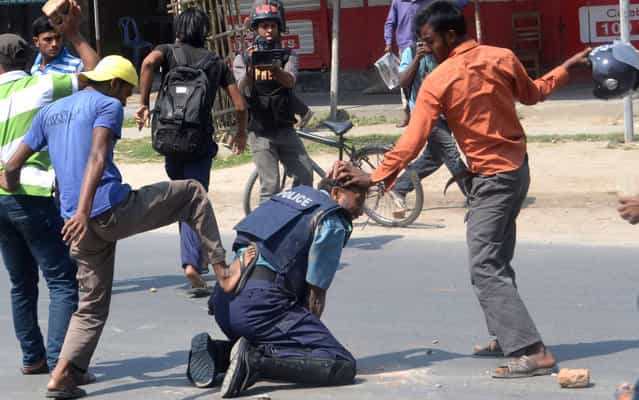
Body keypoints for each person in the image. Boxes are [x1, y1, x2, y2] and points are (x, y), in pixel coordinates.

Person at [335, 1, 591, 378]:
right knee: (496, 258)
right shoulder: (501, 56)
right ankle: (507, 337)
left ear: (450, 35)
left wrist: (374, 177)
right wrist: (566, 70)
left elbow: (412, 139)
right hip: (517, 171)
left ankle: (531, 350)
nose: (426, 48)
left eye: (428, 41)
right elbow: (533, 93)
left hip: (492, 181)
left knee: (485, 264)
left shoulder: (439, 79)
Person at [0, 55, 249, 399]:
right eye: (126, 92)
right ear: (115, 84)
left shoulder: (50, 112)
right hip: (106, 211)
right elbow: (97, 157)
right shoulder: (106, 105)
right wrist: (86, 210)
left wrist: (13, 182)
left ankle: (61, 376)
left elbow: (12, 164)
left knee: (91, 305)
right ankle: (223, 273)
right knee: (192, 192)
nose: (124, 100)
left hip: (75, 223)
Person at [184, 178, 364, 398]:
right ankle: (254, 363)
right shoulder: (332, 219)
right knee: (339, 363)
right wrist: (308, 342)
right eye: (359, 199)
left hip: (224, 306)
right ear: (336, 193)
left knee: (278, 339)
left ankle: (218, 354)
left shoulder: (289, 198)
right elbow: (315, 295)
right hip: (261, 307)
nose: (362, 210)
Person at [0, 1, 97, 378]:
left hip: (1, 200)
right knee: (61, 280)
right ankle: (61, 363)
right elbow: (97, 73)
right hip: (33, 195)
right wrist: (75, 35)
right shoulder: (40, 86)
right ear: (29, 55)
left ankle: (33, 358)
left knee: (21, 283)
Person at [136, 7, 248, 292]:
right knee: (194, 200)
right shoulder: (216, 63)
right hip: (198, 142)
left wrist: (144, 103)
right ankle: (192, 262)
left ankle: (195, 260)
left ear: (179, 30)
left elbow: (148, 63)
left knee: (184, 198)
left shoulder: (168, 52)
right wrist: (241, 134)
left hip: (169, 140)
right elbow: (239, 105)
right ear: (205, 32)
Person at [234, 0, 314, 204]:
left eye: (273, 25)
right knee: (270, 186)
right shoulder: (242, 58)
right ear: (255, 29)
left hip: (285, 129)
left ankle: (296, 221)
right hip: (260, 133)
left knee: (304, 176)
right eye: (264, 26)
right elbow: (243, 89)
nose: (269, 30)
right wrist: (252, 69)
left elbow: (290, 82)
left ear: (280, 28)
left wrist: (276, 70)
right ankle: (265, 233)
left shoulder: (288, 55)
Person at [390, 20, 468, 212]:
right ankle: (474, 194)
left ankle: (399, 187)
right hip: (424, 112)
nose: (428, 42)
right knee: (450, 152)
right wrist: (417, 58)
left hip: (446, 112)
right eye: (424, 38)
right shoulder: (410, 51)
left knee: (434, 157)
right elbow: (402, 81)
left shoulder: (443, 51)